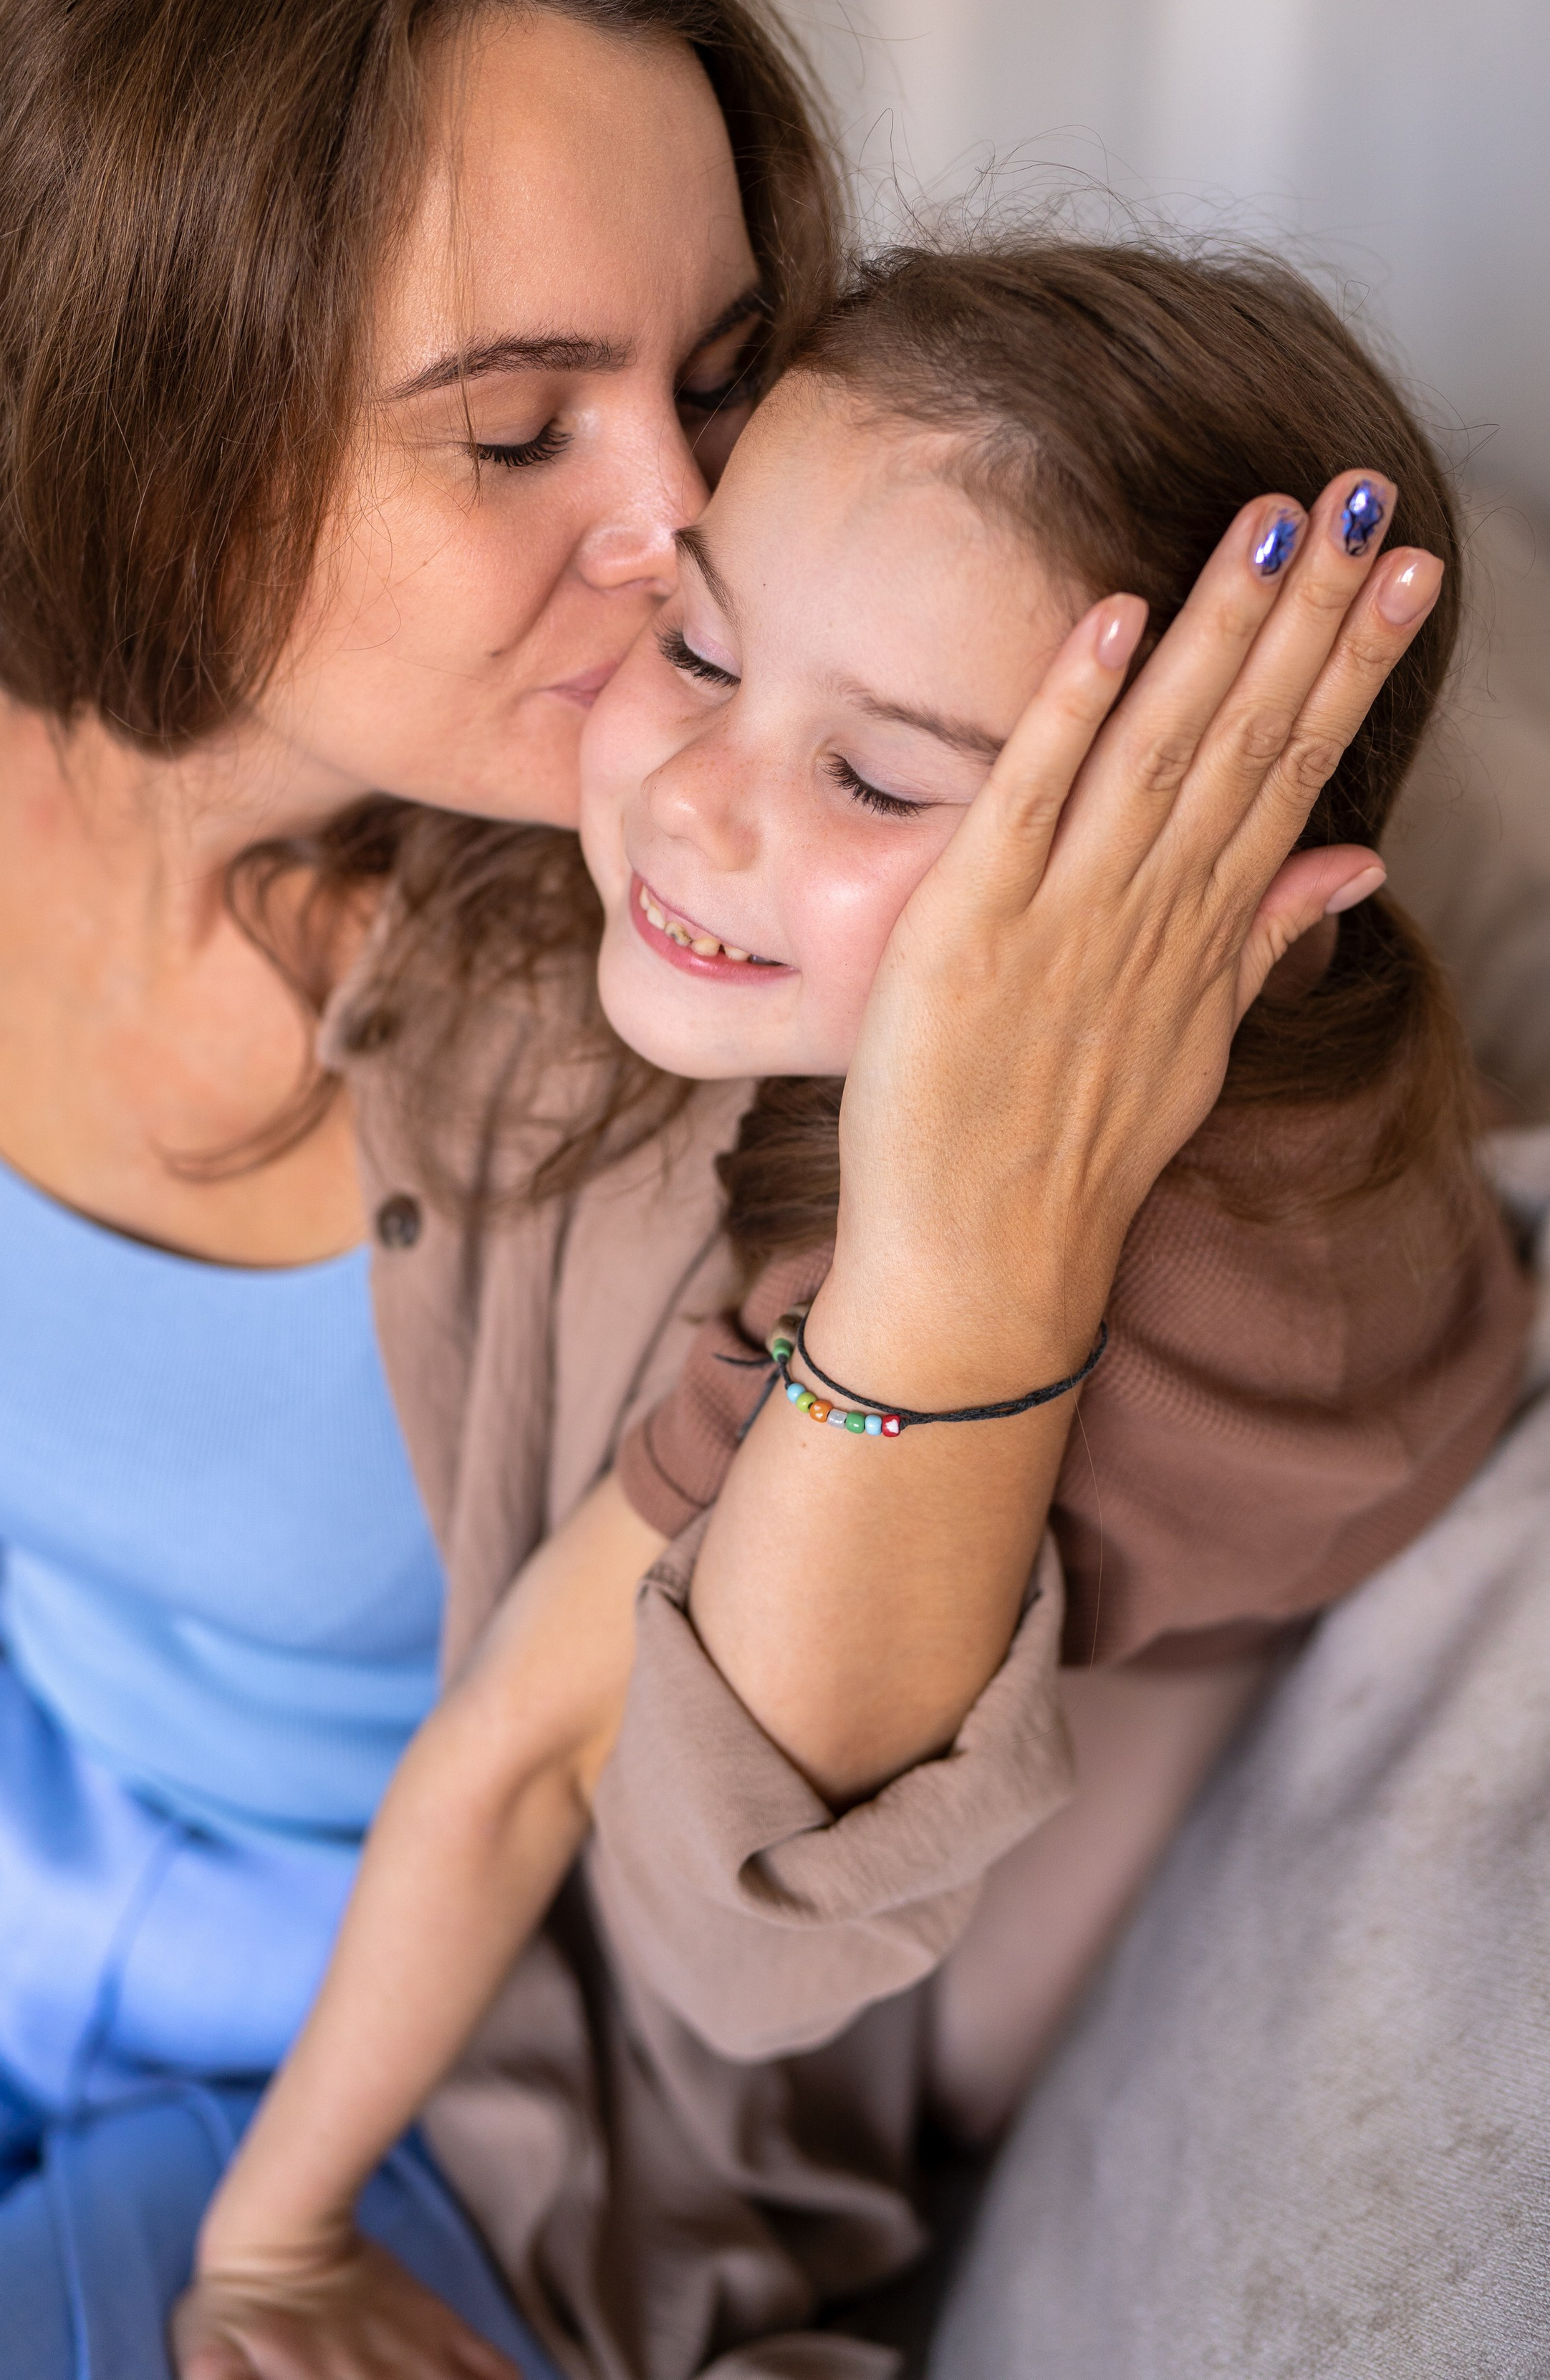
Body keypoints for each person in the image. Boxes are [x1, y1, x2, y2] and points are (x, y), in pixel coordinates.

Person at [0, 0, 1513, 2380]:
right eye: (517, 424)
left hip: (454, 2073)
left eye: (728, 377)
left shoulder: (754, 977)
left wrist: (969, 1260)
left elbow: (734, 1915)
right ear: (160, 411)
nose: (695, 526)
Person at [164, 236, 1527, 2380]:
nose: (696, 799)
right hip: (1233, 1578)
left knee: (961, 2069)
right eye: (698, 647)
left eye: (878, 779)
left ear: (1235, 877)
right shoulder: (1313, 1018)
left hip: (1165, 1689)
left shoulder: (869, 1315)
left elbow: (513, 1758)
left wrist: (269, 2238)